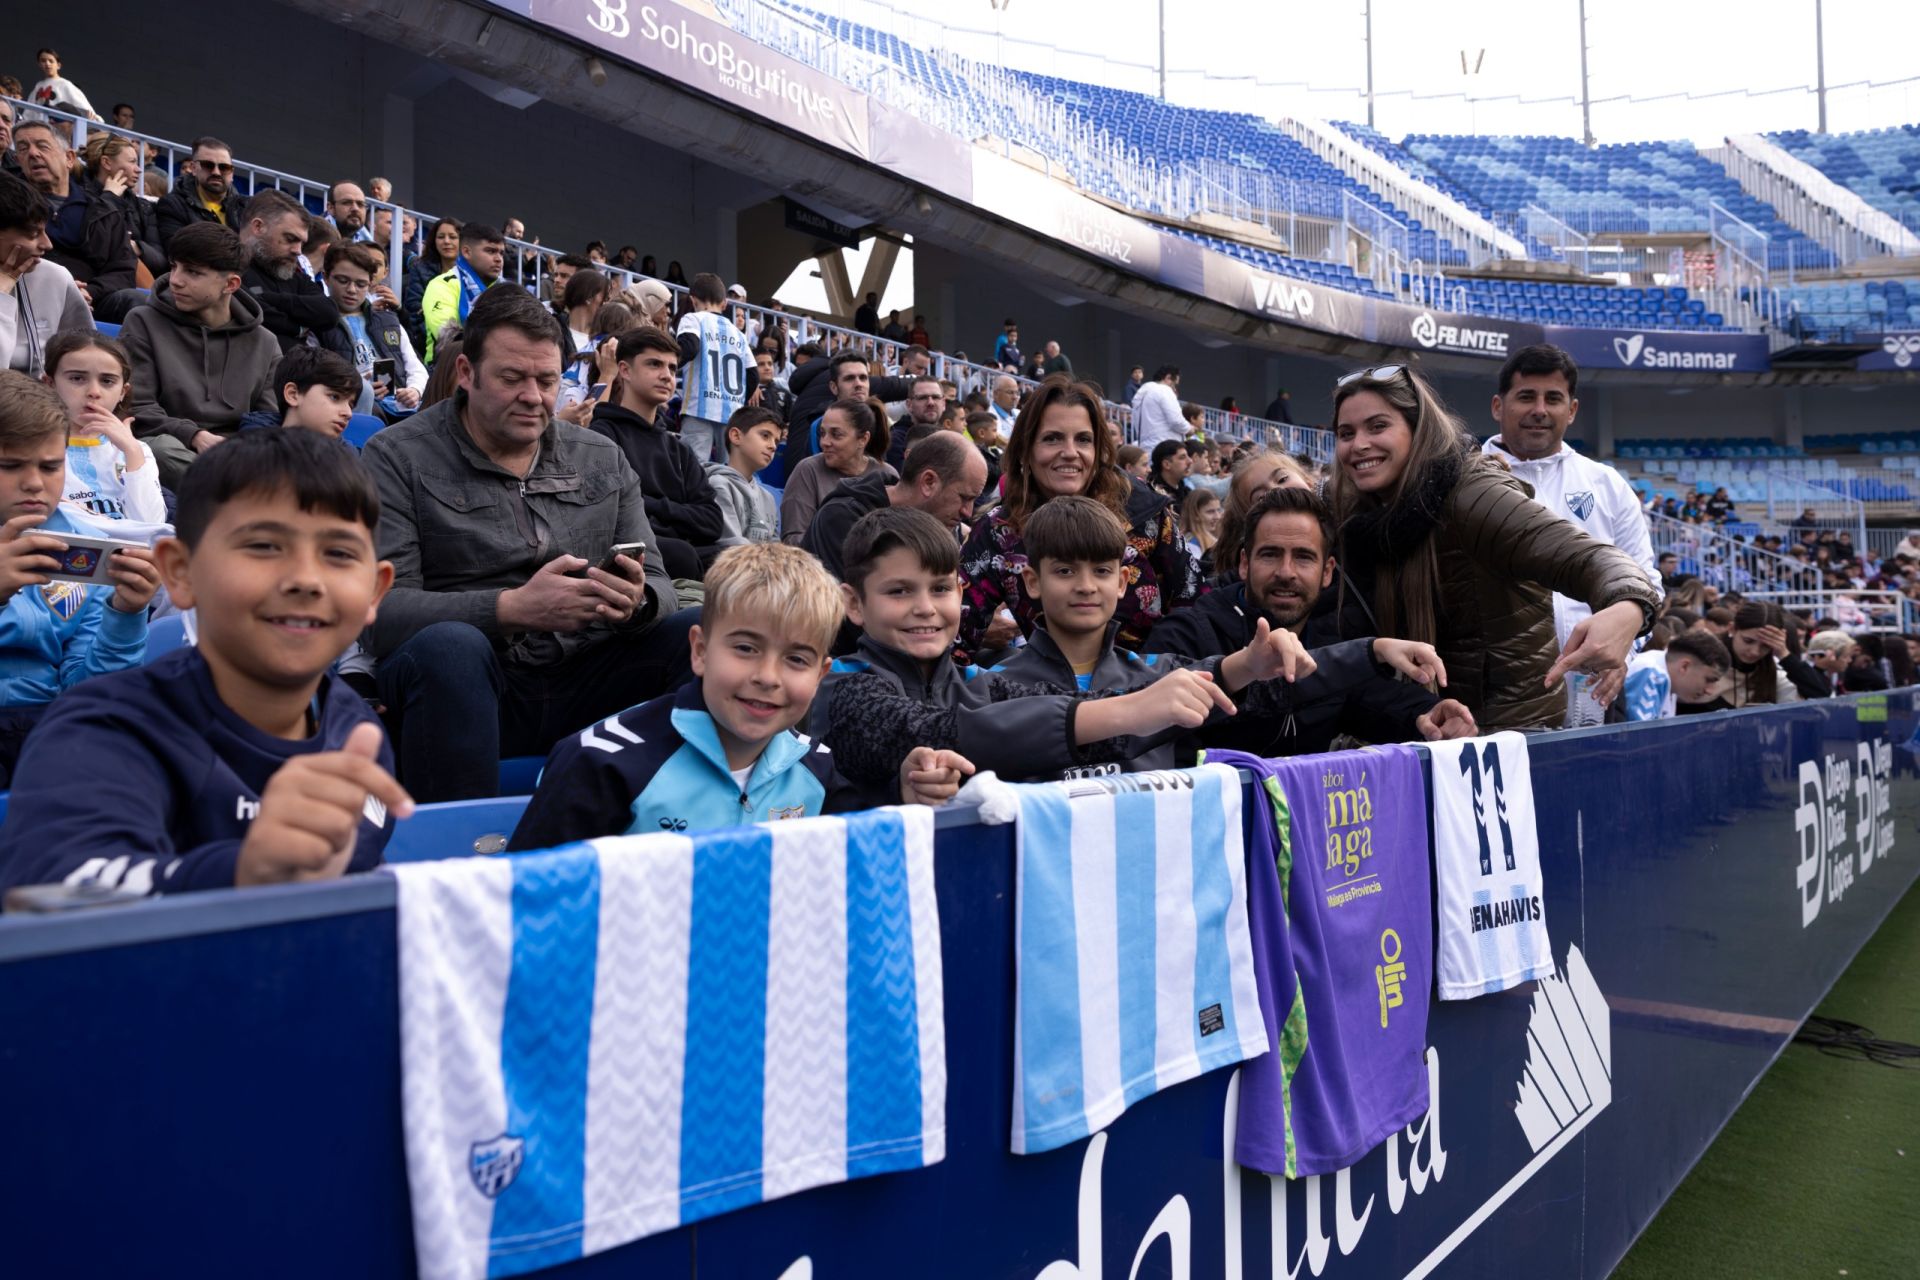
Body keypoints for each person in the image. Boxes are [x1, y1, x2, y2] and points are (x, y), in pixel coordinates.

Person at [0, 428, 413, 895]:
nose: (306, 579)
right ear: (179, 572)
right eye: (263, 546)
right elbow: (42, 896)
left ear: (375, 591)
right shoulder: (105, 728)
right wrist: (247, 870)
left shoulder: (357, 732)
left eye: (338, 553)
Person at [360, 286, 696, 802]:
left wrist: (636, 603)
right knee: (451, 648)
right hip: (475, 683)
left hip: (589, 674)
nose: (534, 397)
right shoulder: (397, 455)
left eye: (546, 380)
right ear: (466, 374)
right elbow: (380, 612)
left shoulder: (601, 458)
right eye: (512, 378)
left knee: (698, 631)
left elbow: (659, 585)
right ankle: (461, 859)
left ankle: (683, 830)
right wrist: (512, 608)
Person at [506, 543, 960, 850]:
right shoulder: (599, 764)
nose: (767, 677)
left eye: (796, 660)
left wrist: (904, 792)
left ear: (822, 673)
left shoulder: (818, 768)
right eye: (745, 648)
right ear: (700, 650)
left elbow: (854, 867)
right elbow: (532, 917)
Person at [814, 506, 1239, 801]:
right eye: (899, 591)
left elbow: (1085, 723)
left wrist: (1248, 666)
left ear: (960, 593)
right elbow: (943, 730)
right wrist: (1134, 709)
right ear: (853, 604)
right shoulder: (841, 684)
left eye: (939, 588)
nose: (924, 607)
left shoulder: (980, 683)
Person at [1329, 364, 1659, 730]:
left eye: (1378, 427)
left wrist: (1628, 608)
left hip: (1509, 739)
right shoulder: (1355, 512)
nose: (1359, 444)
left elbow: (1589, 557)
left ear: (1418, 429)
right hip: (1420, 731)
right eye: (1346, 433)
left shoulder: (1474, 495)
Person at [990, 495, 1336, 775]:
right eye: (1065, 571)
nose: (1085, 586)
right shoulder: (989, 685)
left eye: (1101, 571)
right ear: (1033, 581)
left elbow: (1221, 674)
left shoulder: (1157, 672)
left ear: (1122, 581)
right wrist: (1133, 709)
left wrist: (1372, 651)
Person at [1145, 486, 1476, 756]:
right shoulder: (1188, 634)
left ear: (1328, 571)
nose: (1286, 572)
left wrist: (1426, 714)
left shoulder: (1330, 634)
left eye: (1303, 557)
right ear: (1245, 563)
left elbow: (1374, 699)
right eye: (1271, 554)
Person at [1482, 344, 1660, 722]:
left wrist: (1623, 650)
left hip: (1597, 690)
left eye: (1553, 399)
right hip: (1497, 697)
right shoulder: (1467, 481)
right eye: (1526, 396)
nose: (1540, 410)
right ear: (1499, 406)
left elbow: (1647, 582)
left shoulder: (1606, 483)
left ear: (1572, 410)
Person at [959, 376, 1195, 657]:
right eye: (1052, 438)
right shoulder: (997, 532)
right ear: (1025, 449)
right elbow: (956, 637)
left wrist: (1149, 673)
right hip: (1053, 692)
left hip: (1154, 684)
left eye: (1083, 439)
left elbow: (1192, 604)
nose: (1070, 453)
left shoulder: (1144, 511)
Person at [0, 371, 158, 780]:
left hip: (50, 731)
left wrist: (124, 615)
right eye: (10, 466)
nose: (35, 483)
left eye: (52, 466)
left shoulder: (83, 542)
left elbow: (89, 693)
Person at [123, 223, 281, 487]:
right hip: (170, 442)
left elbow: (267, 418)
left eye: (193, 272)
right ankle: (238, 494)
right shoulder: (143, 321)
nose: (175, 279)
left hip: (236, 452)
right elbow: (137, 407)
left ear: (230, 284)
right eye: (174, 266)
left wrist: (237, 450)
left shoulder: (264, 342)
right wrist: (195, 435)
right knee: (158, 451)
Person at [587, 326, 724, 577]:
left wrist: (656, 507)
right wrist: (680, 519)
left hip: (685, 552)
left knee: (743, 560)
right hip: (632, 558)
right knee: (681, 553)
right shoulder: (602, 434)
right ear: (625, 370)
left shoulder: (679, 449)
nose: (667, 376)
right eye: (654, 364)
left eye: (672, 368)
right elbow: (612, 512)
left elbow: (712, 521)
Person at [802, 430, 986, 580]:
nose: (968, 512)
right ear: (928, 482)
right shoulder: (841, 519)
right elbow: (842, 615)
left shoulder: (944, 524)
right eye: (964, 497)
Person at [41, 330, 164, 524]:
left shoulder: (137, 451)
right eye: (77, 378)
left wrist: (132, 451)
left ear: (123, 391)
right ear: (49, 384)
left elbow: (151, 526)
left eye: (107, 381)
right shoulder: (31, 447)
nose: (94, 392)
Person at [13, 121, 134, 309]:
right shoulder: (9, 206)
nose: (33, 153)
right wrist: (62, 287)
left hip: (93, 299)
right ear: (18, 160)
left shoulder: (105, 211)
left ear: (69, 158)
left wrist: (90, 292)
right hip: (29, 292)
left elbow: (123, 271)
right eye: (23, 148)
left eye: (43, 146)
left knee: (137, 302)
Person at [0, 172, 91, 379]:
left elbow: (88, 356)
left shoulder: (54, 277)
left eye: (45, 231)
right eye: (33, 234)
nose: (47, 244)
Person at [318, 242, 423, 418]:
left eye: (361, 284)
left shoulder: (388, 319)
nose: (351, 290)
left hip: (402, 405)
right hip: (353, 408)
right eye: (343, 281)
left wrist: (414, 390)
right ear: (326, 277)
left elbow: (415, 367)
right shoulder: (317, 323)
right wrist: (357, 386)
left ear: (370, 283)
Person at [782, 348, 913, 479]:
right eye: (849, 378)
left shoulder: (877, 422)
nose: (858, 384)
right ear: (833, 387)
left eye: (863, 378)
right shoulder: (820, 425)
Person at [780, 397, 895, 547]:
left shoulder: (887, 475)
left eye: (836, 434)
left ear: (863, 439)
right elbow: (793, 540)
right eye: (822, 433)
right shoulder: (808, 470)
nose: (824, 442)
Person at [234, 188, 337, 355]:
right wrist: (298, 327)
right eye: (290, 239)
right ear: (258, 226)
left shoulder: (292, 274)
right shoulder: (225, 267)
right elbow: (255, 314)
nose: (298, 250)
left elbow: (329, 312)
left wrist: (269, 299)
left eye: (302, 243)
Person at [675, 272, 757, 463]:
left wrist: (671, 367)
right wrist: (739, 400)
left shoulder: (692, 319)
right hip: (732, 411)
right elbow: (753, 374)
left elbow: (689, 346)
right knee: (729, 469)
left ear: (693, 300)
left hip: (699, 406)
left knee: (695, 467)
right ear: (725, 303)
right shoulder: (738, 334)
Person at [418, 222, 506, 365]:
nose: (499, 259)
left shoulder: (505, 290)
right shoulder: (441, 285)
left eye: (501, 253)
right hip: (446, 371)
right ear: (466, 252)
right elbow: (449, 338)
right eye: (490, 251)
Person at [238, 346, 359, 439]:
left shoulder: (347, 459)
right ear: (293, 394)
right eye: (334, 397)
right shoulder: (251, 454)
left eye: (351, 405)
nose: (348, 413)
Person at [705, 405, 782, 546]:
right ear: (736, 436)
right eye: (765, 436)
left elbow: (776, 547)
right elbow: (731, 545)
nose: (773, 446)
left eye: (776, 441)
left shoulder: (769, 498)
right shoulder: (718, 484)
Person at [1620, 629, 1731, 720]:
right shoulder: (1651, 673)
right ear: (1685, 666)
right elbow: (1640, 740)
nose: (1709, 691)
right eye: (1709, 680)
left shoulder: (1667, 679)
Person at [155, 136, 243, 245]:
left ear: (232, 173)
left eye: (224, 167)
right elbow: (178, 251)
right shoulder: (172, 205)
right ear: (193, 168)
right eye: (207, 165)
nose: (216, 172)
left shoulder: (246, 209)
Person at [403, 217, 460, 351]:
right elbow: (414, 309)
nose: (446, 241)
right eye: (441, 237)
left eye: (452, 237)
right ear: (434, 241)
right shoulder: (420, 268)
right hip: (429, 343)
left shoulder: (470, 273)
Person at [885, 375, 946, 471]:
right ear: (909, 405)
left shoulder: (951, 438)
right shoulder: (895, 440)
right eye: (922, 398)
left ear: (944, 404)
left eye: (935, 397)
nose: (930, 403)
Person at [27, 48, 97, 120]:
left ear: (58, 65)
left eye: (51, 61)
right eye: (43, 61)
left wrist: (94, 119)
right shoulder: (38, 86)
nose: (47, 63)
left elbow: (84, 109)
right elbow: (29, 111)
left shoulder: (65, 84)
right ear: (39, 64)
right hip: (38, 127)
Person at [1131, 364, 1185, 449]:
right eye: (1175, 385)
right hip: (1166, 447)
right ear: (1168, 377)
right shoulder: (1164, 390)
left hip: (1146, 447)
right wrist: (1190, 428)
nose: (1175, 389)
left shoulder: (1141, 394)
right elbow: (1176, 421)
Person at [1182, 486, 1221, 574]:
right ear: (1195, 514)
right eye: (1210, 512)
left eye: (1219, 510)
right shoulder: (1190, 544)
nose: (1217, 516)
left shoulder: (1216, 538)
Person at [1149, 438, 1191, 503]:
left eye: (1188, 456)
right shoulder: (1154, 496)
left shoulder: (1186, 493)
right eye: (1182, 457)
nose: (1190, 461)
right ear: (1166, 464)